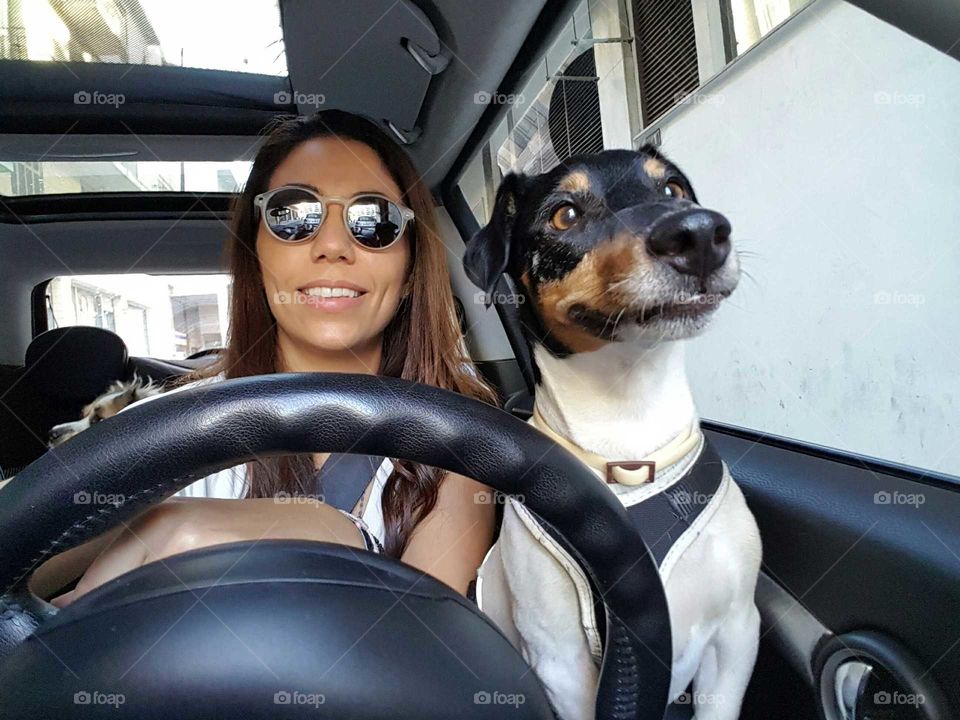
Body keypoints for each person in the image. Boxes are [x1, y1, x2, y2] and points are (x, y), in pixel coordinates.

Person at [35, 110, 499, 605]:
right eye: (293, 215)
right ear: (255, 257)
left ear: (409, 270)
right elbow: (22, 546)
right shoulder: (161, 431)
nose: (333, 245)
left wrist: (328, 533)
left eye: (374, 220)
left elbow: (425, 641)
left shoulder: (454, 439)